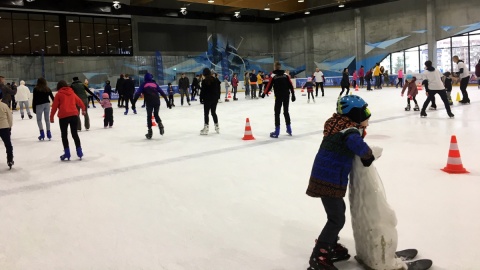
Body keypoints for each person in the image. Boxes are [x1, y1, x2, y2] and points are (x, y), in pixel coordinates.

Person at [306, 95, 375, 270]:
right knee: (336, 218)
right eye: (364, 112)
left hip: (324, 177)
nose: (368, 115)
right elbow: (360, 147)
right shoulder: (349, 132)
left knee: (338, 213)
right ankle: (320, 254)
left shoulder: (337, 124)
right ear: (354, 114)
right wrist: (368, 156)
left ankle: (330, 244)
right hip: (329, 179)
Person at [50, 80, 86, 161]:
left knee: (64, 135)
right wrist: (83, 109)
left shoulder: (59, 94)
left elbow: (54, 107)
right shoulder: (72, 93)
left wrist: (51, 117)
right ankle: (79, 151)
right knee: (75, 134)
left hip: (63, 116)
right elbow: (79, 101)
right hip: (74, 115)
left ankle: (67, 153)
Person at [262, 61, 296, 138]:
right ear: (280, 67)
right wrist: (293, 94)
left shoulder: (273, 76)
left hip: (279, 96)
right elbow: (290, 85)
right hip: (286, 95)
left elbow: (269, 85)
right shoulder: (285, 75)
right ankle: (289, 129)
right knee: (286, 112)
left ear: (275, 67)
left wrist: (264, 93)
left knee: (277, 113)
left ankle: (277, 131)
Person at [133, 73, 171, 139]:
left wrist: (133, 103)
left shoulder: (144, 84)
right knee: (156, 114)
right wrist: (167, 101)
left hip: (149, 102)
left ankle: (150, 132)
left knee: (149, 116)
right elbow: (162, 93)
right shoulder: (155, 84)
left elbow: (137, 94)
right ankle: (160, 124)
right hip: (157, 101)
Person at [200, 68, 220, 135]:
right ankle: (217, 126)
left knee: (206, 113)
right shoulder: (214, 79)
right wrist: (218, 97)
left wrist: (201, 99)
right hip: (214, 99)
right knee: (213, 112)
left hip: (207, 99)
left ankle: (206, 128)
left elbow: (203, 91)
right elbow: (218, 89)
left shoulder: (204, 81)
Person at [0, 99, 13, 169]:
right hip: (4, 127)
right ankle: (10, 159)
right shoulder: (4, 106)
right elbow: (10, 117)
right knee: (8, 145)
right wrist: (9, 126)